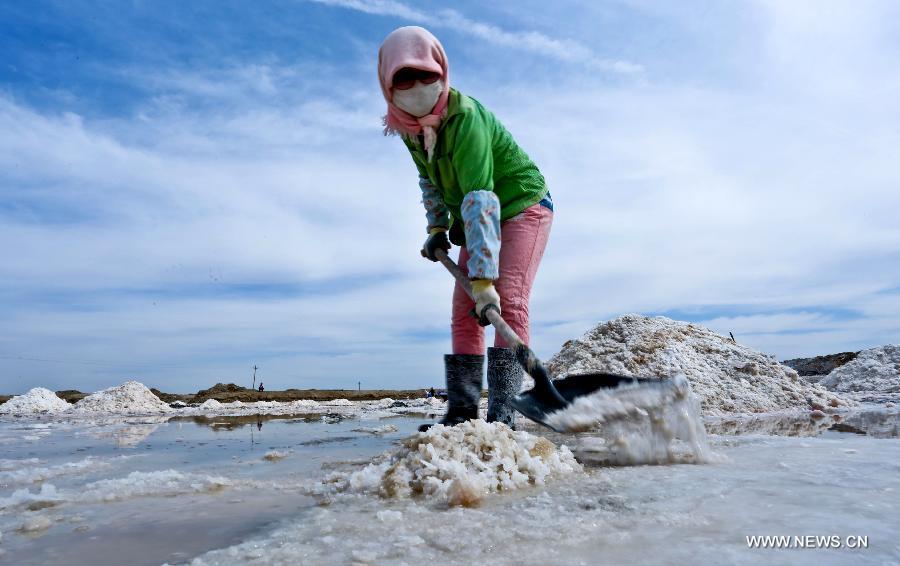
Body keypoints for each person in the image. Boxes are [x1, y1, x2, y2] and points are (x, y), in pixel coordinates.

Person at [378, 27, 553, 431]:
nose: (418, 86)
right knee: (464, 310)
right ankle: (461, 411)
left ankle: (503, 413)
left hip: (522, 205)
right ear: (388, 83)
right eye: (404, 78)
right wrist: (438, 227)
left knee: (504, 298)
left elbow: (480, 197)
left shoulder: (465, 118)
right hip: (475, 219)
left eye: (426, 74)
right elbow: (429, 181)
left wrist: (484, 279)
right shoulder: (409, 126)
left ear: (441, 70)